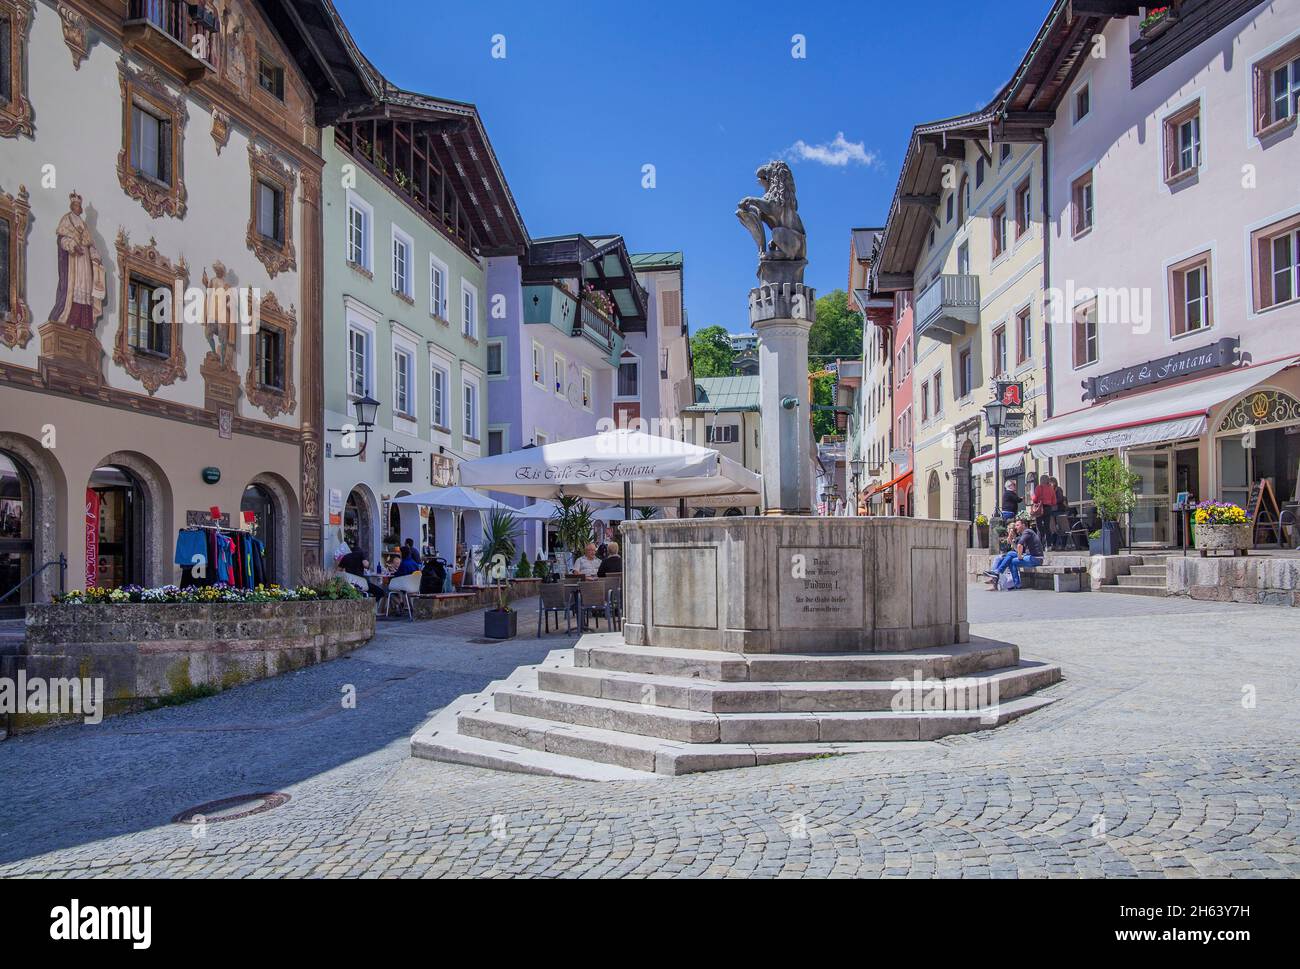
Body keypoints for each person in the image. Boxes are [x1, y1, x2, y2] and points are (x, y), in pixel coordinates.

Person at [985, 520, 1044, 591]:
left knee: (1011, 556)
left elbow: (1019, 545)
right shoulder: (1025, 533)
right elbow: (1018, 548)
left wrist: (1019, 556)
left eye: (1018, 525)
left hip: (1036, 559)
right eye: (1015, 525)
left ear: (1024, 525)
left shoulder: (1027, 532)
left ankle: (999, 573)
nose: (1016, 527)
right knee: (1012, 560)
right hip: (1032, 557)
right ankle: (1015, 584)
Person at [1031, 475, 1057, 546]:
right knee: (1047, 526)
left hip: (1040, 508)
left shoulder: (1039, 487)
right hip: (1048, 508)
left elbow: (1035, 499)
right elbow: (1054, 502)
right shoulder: (1051, 489)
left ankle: (1039, 544)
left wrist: (1032, 496)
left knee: (1039, 526)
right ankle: (1048, 544)